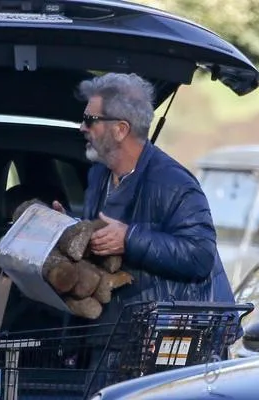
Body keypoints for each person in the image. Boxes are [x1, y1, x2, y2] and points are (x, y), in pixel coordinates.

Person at [53, 72, 236, 311]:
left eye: (90, 120)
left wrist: (129, 239)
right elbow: (101, 238)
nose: (81, 127)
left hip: (178, 326)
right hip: (127, 320)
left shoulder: (175, 183)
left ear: (120, 129)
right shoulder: (99, 174)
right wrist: (70, 228)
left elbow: (200, 256)